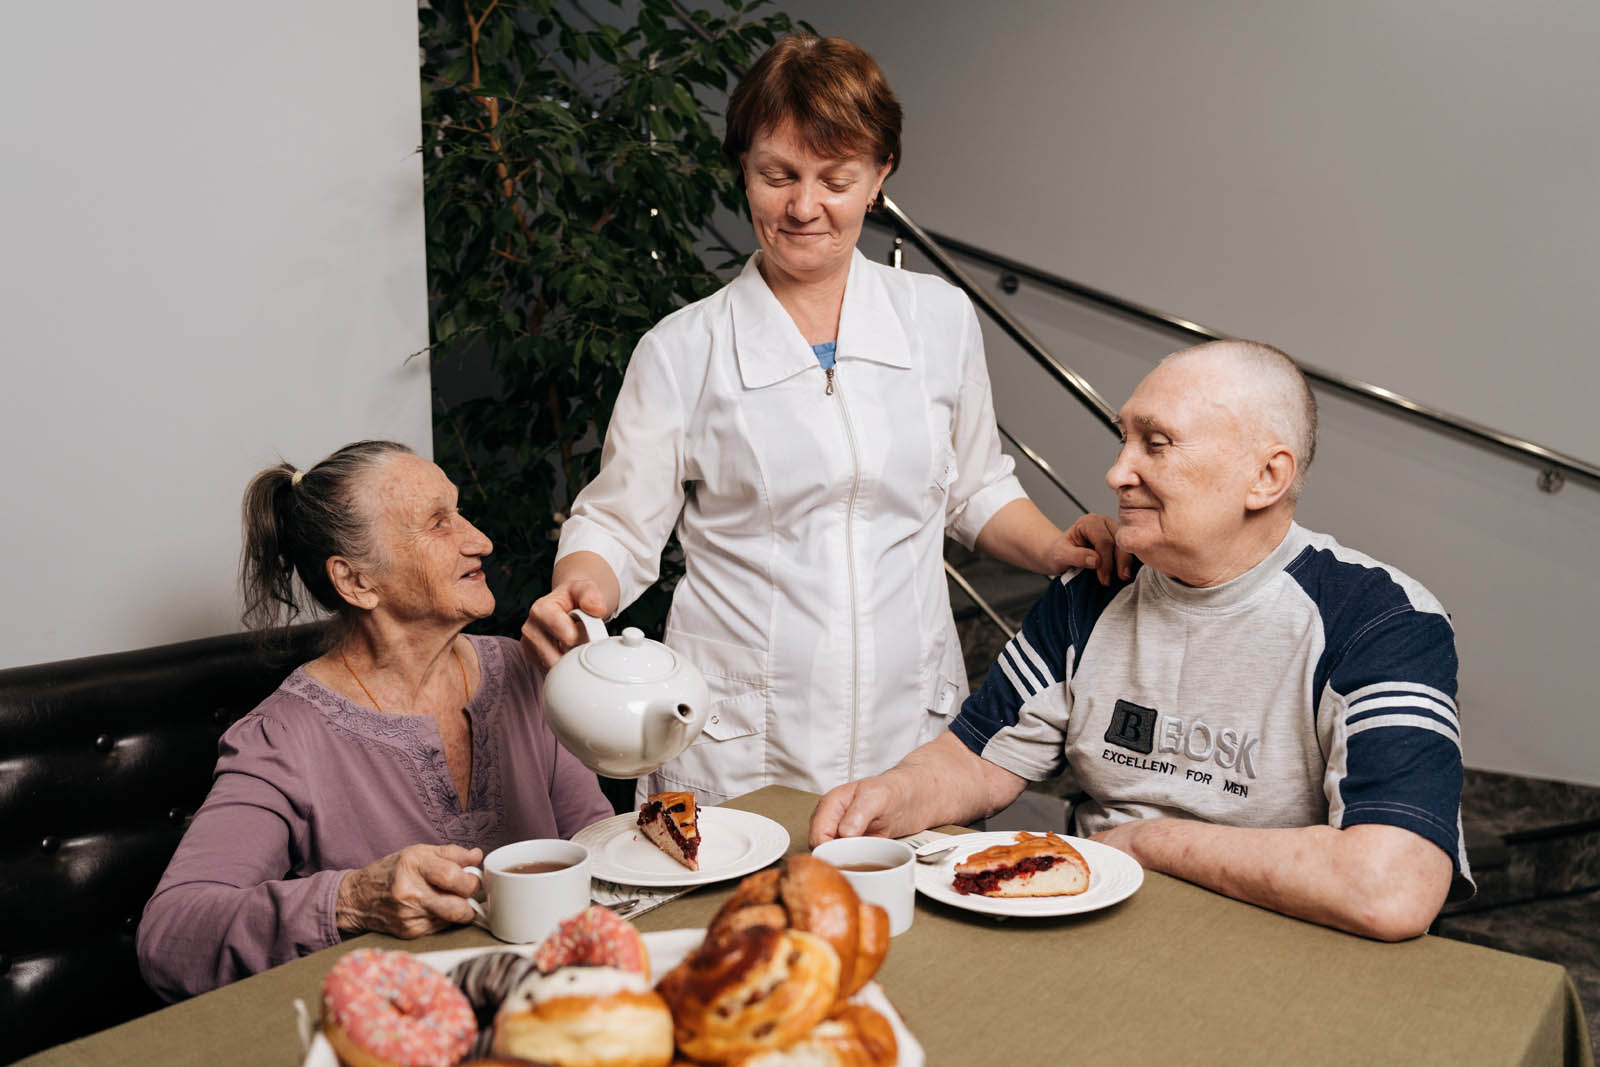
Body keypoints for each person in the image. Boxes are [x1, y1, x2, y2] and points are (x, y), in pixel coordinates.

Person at [521, 34, 1116, 805]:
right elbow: (617, 525)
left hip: (910, 731)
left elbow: (973, 485)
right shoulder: (682, 351)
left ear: (880, 174)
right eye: (778, 176)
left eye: (836, 179)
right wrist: (578, 590)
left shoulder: (938, 319)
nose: (804, 207)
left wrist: (1052, 546)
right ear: (743, 168)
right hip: (743, 747)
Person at [811, 341, 1473, 941]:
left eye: (1156, 444)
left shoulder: (1382, 619)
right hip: (1096, 926)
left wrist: (1146, 844)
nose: (1117, 472)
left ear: (1266, 478)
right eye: (1123, 438)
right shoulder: (1094, 589)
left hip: (1280, 943)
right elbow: (980, 760)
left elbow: (1392, 885)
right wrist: (895, 793)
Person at [137, 441, 612, 1000]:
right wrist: (353, 900)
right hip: (401, 1023)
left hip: (558, 1001)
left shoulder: (524, 673)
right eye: (438, 523)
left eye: (459, 511)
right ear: (356, 582)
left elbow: (599, 855)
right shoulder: (285, 737)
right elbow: (170, 937)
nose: (480, 540)